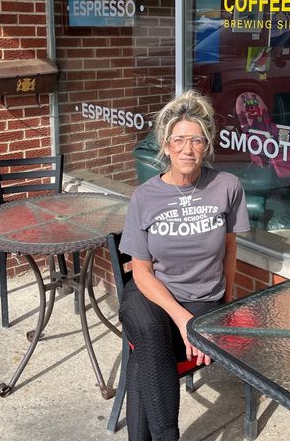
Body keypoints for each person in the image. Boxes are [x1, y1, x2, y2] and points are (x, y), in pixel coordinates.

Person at [118, 89, 250, 441]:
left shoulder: (227, 186)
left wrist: (225, 305)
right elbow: (141, 270)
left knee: (145, 357)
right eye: (179, 140)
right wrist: (182, 318)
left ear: (207, 144)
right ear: (165, 144)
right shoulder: (144, 196)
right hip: (151, 293)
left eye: (197, 140)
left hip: (202, 299)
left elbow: (230, 248)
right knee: (148, 330)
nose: (187, 150)